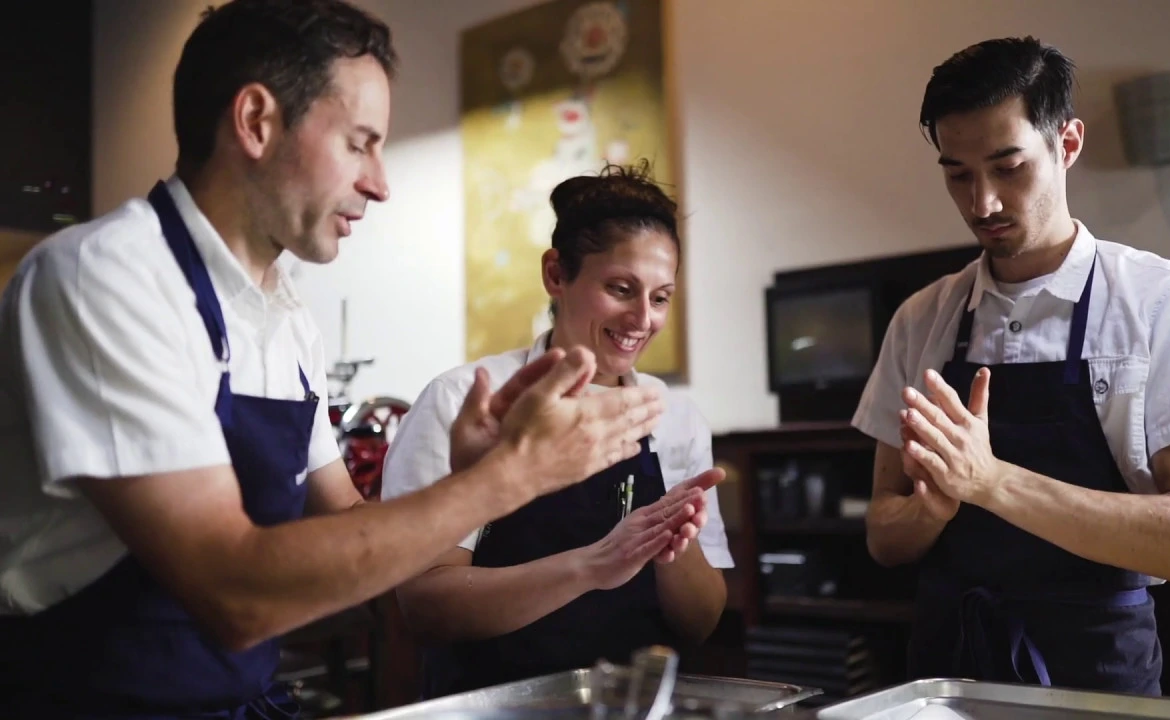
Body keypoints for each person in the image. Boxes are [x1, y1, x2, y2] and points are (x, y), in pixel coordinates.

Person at [0, 2, 666, 717]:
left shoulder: (286, 317)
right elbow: (234, 594)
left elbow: (344, 522)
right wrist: (505, 481)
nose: (381, 182)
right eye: (360, 143)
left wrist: (470, 474)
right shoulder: (104, 277)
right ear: (256, 121)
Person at [853, 36, 1170, 696]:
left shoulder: (1168, 304)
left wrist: (990, 483)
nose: (983, 203)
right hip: (947, 676)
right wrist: (930, 512)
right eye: (957, 173)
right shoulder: (921, 320)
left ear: (1067, 144)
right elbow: (885, 535)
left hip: (1097, 683)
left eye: (1008, 166)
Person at [382, 162, 734, 696]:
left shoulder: (674, 418)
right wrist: (592, 565)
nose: (643, 319)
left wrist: (671, 537)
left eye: (660, 297)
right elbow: (427, 606)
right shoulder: (466, 401)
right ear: (555, 274)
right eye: (621, 288)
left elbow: (700, 622)